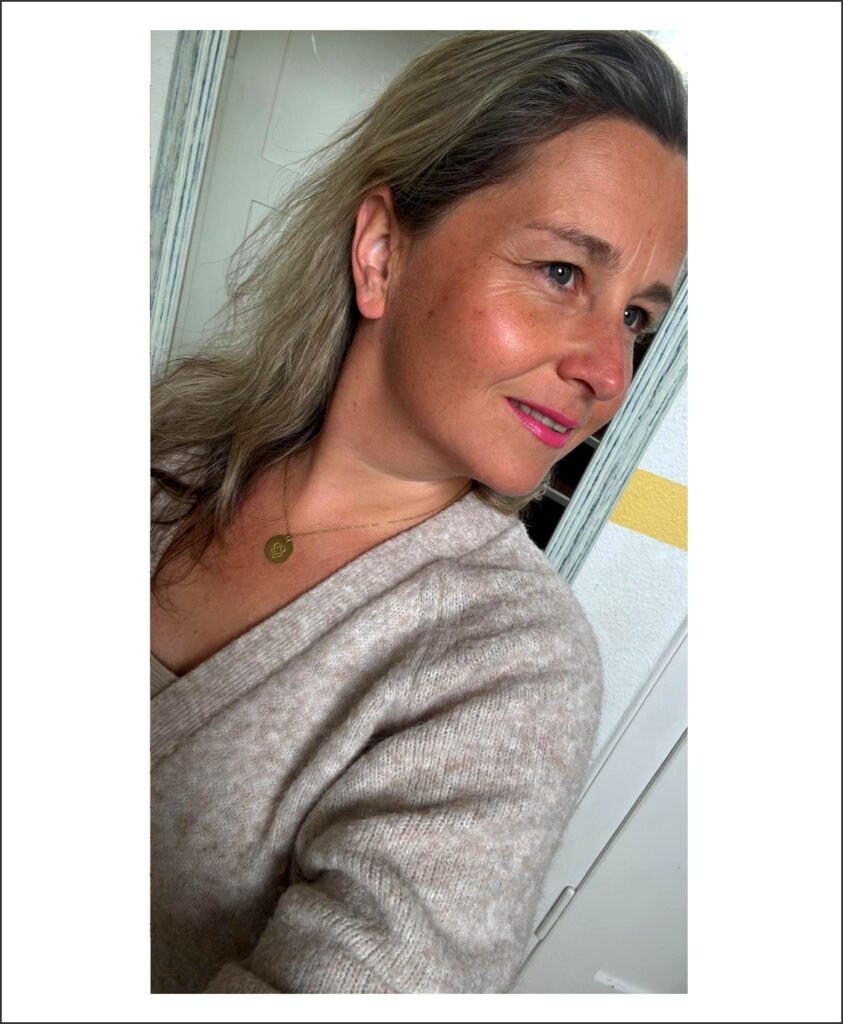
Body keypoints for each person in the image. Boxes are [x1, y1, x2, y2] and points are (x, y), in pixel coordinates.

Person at [150, 29, 687, 993]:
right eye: (562, 273)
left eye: (635, 318)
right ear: (382, 253)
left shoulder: (511, 666)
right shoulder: (167, 444)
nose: (609, 372)